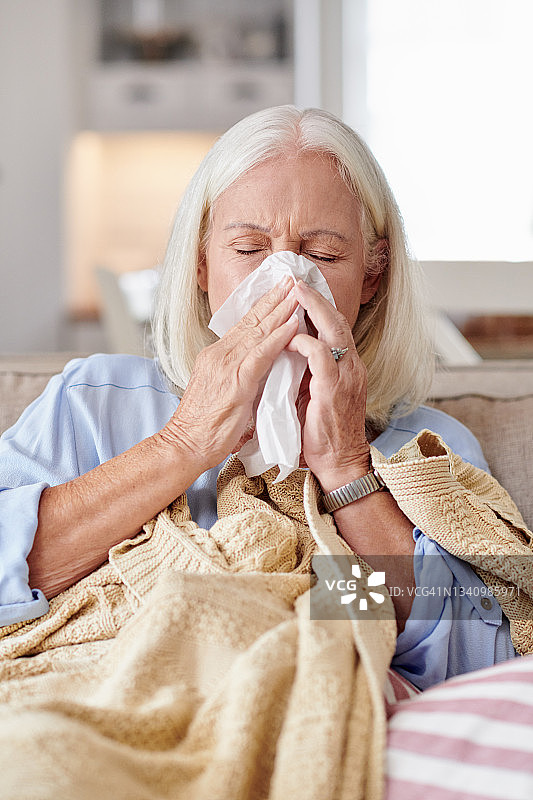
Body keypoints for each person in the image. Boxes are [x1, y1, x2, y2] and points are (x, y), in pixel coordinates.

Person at [0, 105, 518, 690]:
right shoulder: (93, 402)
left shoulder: (430, 451)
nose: (287, 283)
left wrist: (347, 471)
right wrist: (185, 442)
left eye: (322, 257)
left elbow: (482, 657)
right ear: (201, 263)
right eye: (249, 249)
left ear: (372, 276)